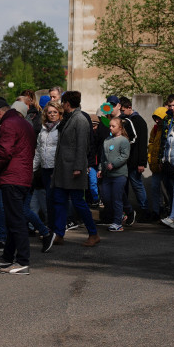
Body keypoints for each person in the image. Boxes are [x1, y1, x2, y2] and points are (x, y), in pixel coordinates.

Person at [0, 97, 37, 274]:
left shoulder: (8, 124)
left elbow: (4, 151)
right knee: (13, 218)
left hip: (12, 177)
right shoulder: (25, 123)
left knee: (16, 220)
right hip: (23, 176)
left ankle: (22, 261)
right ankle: (7, 257)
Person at [50, 91, 100, 248]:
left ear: (66, 104)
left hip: (73, 169)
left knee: (79, 202)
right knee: (60, 201)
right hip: (64, 169)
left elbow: (82, 145)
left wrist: (79, 167)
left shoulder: (79, 120)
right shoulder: (70, 118)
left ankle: (93, 233)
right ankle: (59, 234)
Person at [98, 116, 130, 232]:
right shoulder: (107, 140)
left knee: (117, 198)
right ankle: (122, 214)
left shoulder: (123, 140)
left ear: (120, 128)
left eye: (113, 126)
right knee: (106, 197)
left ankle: (117, 223)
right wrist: (101, 168)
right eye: (110, 126)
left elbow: (124, 156)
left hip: (119, 175)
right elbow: (103, 156)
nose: (110, 128)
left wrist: (114, 164)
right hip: (107, 175)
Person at [33, 100, 62, 229]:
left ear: (60, 113)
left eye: (55, 112)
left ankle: (58, 227)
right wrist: (32, 168)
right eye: (49, 112)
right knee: (48, 199)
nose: (52, 115)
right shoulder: (43, 130)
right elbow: (38, 151)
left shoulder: (61, 129)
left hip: (57, 169)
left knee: (57, 199)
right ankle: (51, 226)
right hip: (45, 168)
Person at [118, 97, 148, 220]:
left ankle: (144, 209)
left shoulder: (138, 121)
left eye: (123, 110)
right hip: (128, 161)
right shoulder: (126, 120)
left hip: (135, 161)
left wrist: (141, 162)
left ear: (130, 108)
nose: (122, 113)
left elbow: (141, 143)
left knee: (137, 185)